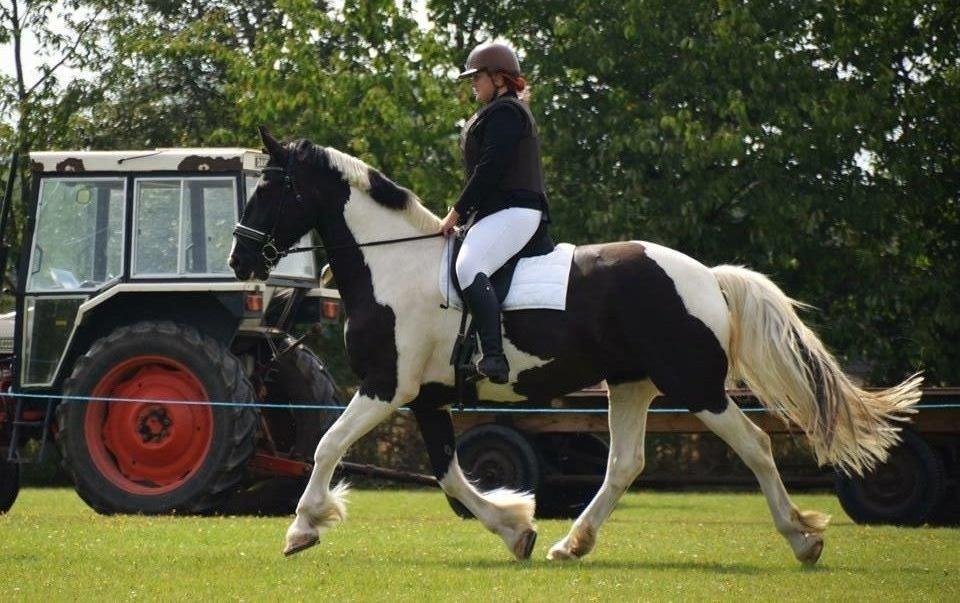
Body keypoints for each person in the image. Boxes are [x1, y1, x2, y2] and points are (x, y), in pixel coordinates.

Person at [439, 41, 549, 384]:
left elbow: (488, 171)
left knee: (469, 266)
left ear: (499, 79)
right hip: (501, 211)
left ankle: (495, 357)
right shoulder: (496, 111)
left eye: (478, 77)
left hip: (516, 210)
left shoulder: (506, 113)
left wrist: (455, 214)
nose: (473, 83)